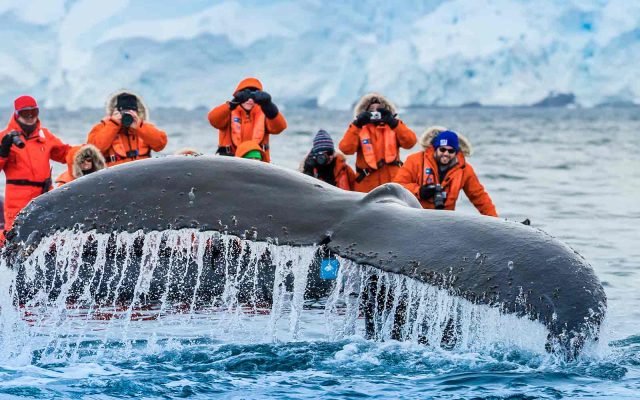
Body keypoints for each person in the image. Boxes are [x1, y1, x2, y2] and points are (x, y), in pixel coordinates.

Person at [0, 95, 70, 234]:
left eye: (34, 112)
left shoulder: (45, 135)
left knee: (49, 236)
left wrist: (88, 153)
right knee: (16, 238)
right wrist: (3, 151)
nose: (30, 116)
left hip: (44, 196)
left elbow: (66, 153)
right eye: (26, 112)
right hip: (17, 201)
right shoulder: (4, 137)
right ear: (16, 114)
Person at [393, 127, 497, 216]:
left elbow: (479, 197)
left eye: (451, 151)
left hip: (445, 222)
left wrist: (495, 222)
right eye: (442, 149)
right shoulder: (415, 161)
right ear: (435, 148)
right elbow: (397, 186)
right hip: (417, 217)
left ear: (456, 152)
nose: (446, 153)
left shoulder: (464, 170)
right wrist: (419, 191)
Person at [338, 93, 417, 192]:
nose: (375, 113)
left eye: (379, 110)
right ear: (364, 112)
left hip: (393, 184)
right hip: (366, 186)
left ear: (386, 111)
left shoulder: (394, 126)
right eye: (371, 111)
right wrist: (357, 124)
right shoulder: (358, 128)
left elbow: (410, 142)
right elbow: (346, 149)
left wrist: (394, 122)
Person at [208, 77, 286, 162]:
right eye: (245, 95)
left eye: (254, 96)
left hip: (259, 163)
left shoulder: (265, 112)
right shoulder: (228, 111)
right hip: (229, 163)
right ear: (238, 95)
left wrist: (269, 106)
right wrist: (233, 103)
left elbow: (280, 128)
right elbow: (213, 119)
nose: (249, 100)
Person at [87, 91, 167, 167]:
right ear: (115, 112)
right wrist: (113, 124)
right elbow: (92, 151)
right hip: (115, 178)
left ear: (138, 112)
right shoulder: (104, 127)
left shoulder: (143, 127)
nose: (126, 116)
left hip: (142, 175)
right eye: (124, 112)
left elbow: (160, 144)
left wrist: (139, 127)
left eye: (131, 112)